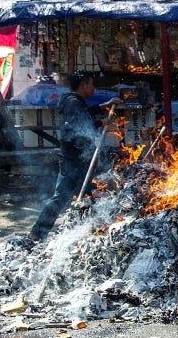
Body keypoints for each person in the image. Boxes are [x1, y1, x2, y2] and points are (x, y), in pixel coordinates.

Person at [27, 71, 122, 242]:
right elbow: (78, 125)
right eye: (91, 84)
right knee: (71, 196)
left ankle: (47, 232)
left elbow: (83, 114)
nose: (94, 88)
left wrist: (103, 106)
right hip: (75, 160)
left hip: (75, 158)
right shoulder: (73, 103)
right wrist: (101, 123)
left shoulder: (74, 101)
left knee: (82, 196)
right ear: (83, 85)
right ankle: (41, 232)